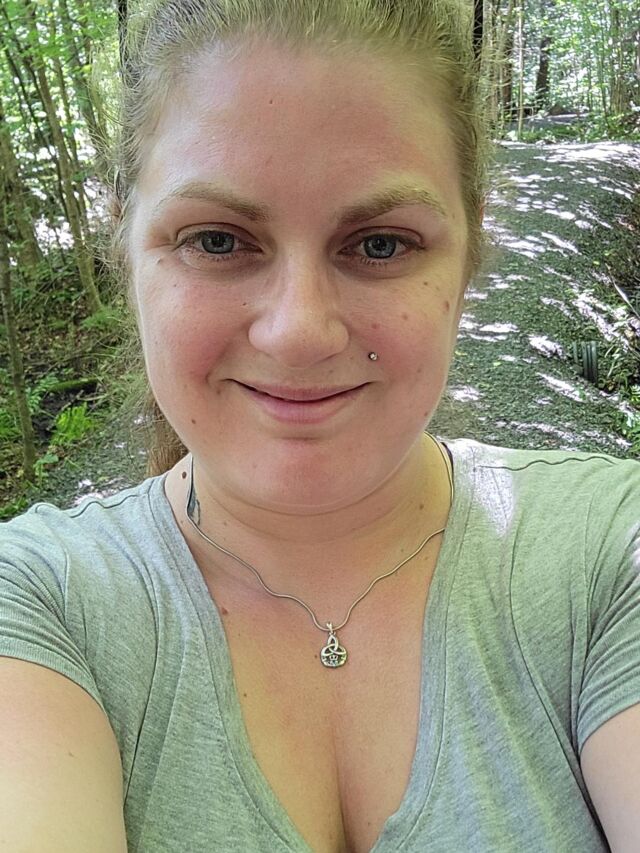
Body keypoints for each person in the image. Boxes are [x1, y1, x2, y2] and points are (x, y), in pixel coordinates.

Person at [1, 0, 639, 850]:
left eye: (379, 244)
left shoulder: (608, 550)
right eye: (217, 241)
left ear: (470, 247)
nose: (298, 331)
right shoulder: (39, 602)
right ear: (125, 242)